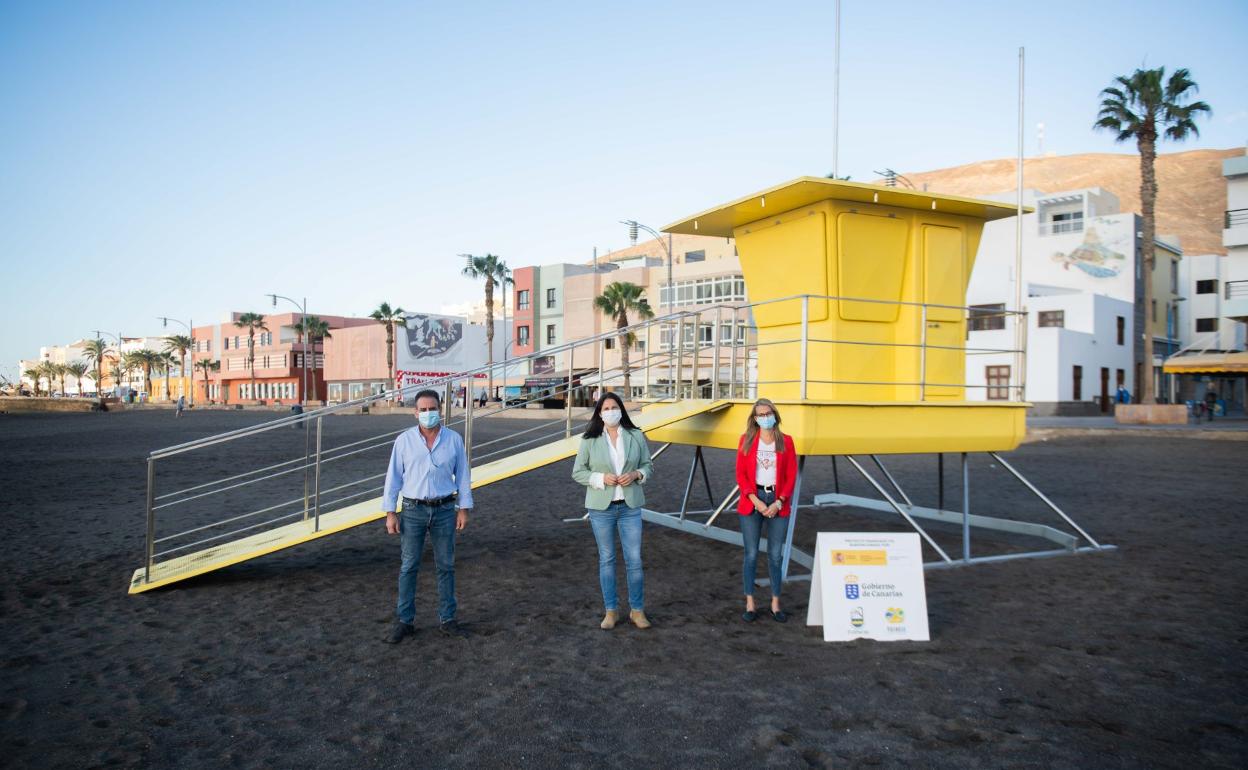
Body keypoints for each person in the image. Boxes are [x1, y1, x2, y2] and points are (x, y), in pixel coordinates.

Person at [382, 389, 473, 643]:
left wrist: (463, 508)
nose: (428, 413)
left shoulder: (453, 439)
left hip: (445, 509)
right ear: (415, 413)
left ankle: (448, 619)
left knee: (446, 565)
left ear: (440, 410)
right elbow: (393, 478)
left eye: (432, 408)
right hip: (413, 510)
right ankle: (405, 621)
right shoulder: (404, 441)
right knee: (409, 566)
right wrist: (391, 513)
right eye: (422, 409)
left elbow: (463, 476)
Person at [571, 392, 655, 630]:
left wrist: (637, 474)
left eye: (614, 407)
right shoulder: (589, 439)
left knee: (634, 560)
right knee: (607, 559)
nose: (610, 411)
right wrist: (600, 478)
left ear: (621, 410)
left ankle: (637, 611)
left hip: (630, 507)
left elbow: (648, 465)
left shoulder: (635, 435)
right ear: (599, 413)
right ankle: (611, 610)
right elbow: (578, 472)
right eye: (606, 408)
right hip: (601, 508)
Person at [734, 398, 798, 624]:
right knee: (751, 554)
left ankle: (775, 603)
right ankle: (750, 602)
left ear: (775, 415)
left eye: (768, 413)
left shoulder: (787, 442)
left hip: (777, 501)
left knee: (775, 555)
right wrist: (755, 500)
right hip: (753, 499)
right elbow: (740, 474)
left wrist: (778, 502)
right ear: (754, 419)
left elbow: (791, 475)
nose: (764, 418)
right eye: (760, 415)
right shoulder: (746, 440)